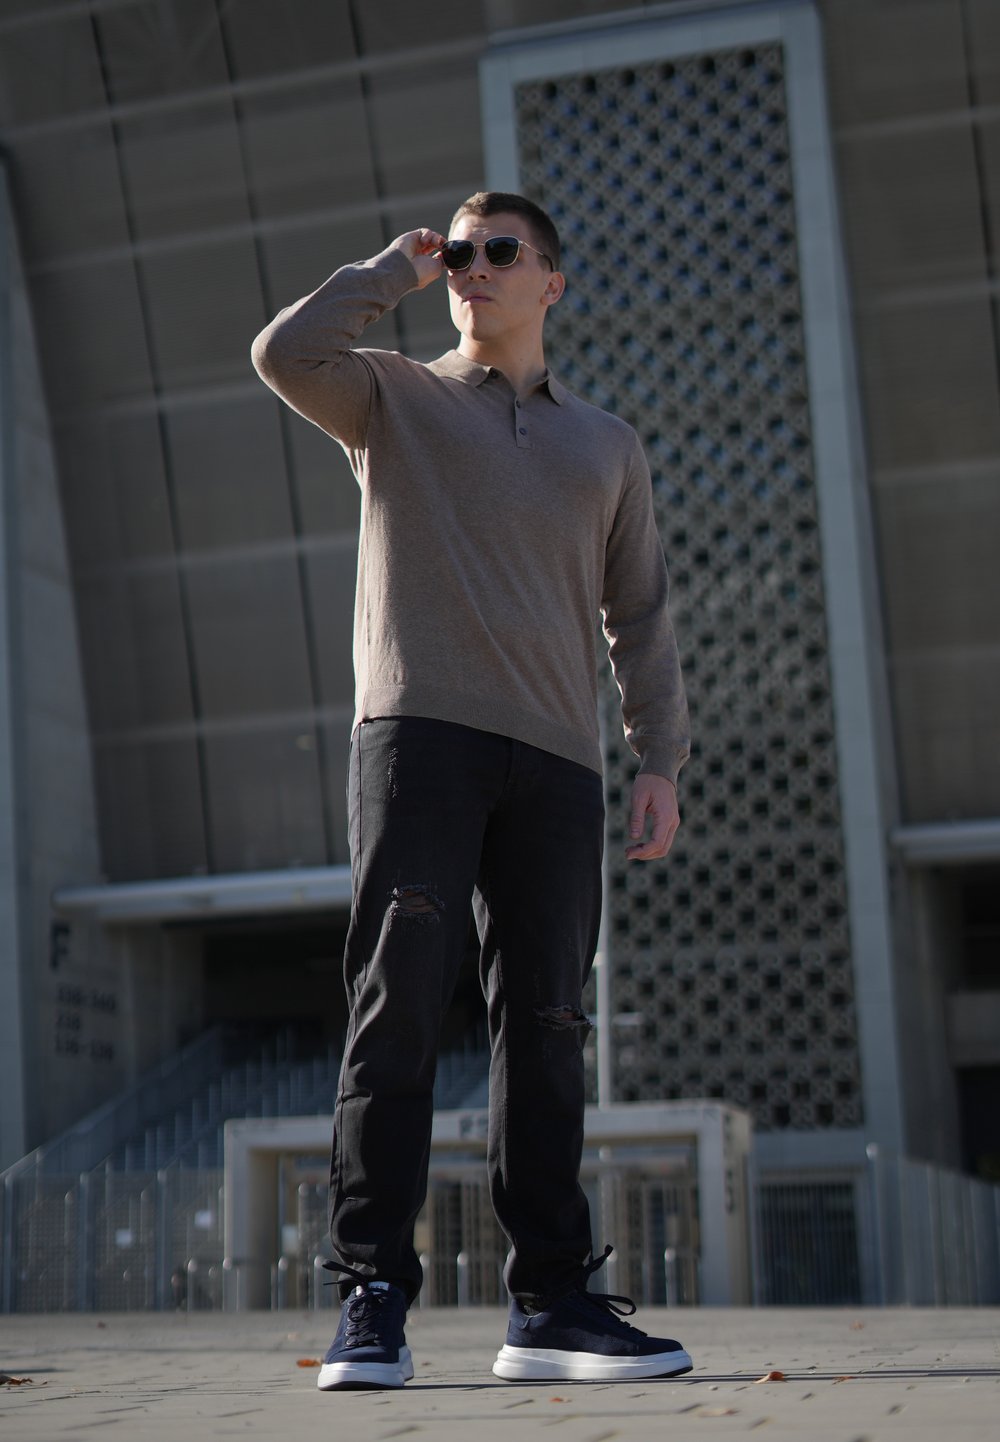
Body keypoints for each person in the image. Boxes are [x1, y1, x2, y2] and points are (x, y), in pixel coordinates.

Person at [252, 191, 692, 1390]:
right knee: (393, 1009)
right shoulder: (390, 393)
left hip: (559, 761)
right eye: (460, 252)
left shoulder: (605, 443)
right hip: (417, 743)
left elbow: (638, 611)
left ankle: (550, 1305)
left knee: (548, 1030)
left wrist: (657, 756)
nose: (474, 268)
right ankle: (372, 1300)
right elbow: (282, 352)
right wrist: (382, 270)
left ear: (551, 281)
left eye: (501, 252)